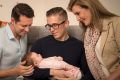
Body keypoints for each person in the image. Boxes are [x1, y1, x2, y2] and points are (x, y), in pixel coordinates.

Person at [26, 7, 94, 80]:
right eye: (49, 26)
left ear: (66, 24)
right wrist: (53, 72)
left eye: (55, 25)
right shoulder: (40, 43)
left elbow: (89, 75)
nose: (51, 29)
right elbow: (28, 72)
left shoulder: (79, 46)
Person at [67, 0, 120, 80]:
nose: (77, 18)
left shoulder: (116, 23)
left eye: (78, 13)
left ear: (90, 7)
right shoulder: (88, 32)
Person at [0, 3, 34, 80]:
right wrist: (14, 71)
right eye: (24, 26)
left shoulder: (23, 33)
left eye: (30, 25)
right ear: (12, 21)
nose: (27, 30)